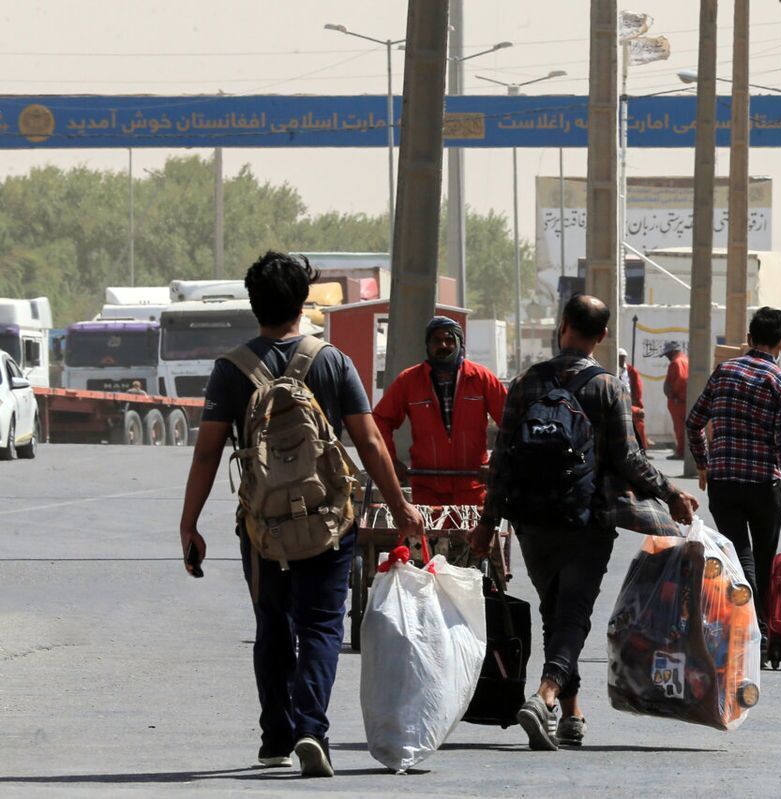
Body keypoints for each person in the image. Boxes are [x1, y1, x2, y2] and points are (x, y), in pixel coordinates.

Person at [178, 251, 422, 777]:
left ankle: (275, 738)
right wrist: (400, 506)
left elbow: (207, 453)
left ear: (253, 305)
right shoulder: (332, 361)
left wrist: (188, 523)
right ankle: (312, 729)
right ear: (302, 302)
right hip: (328, 521)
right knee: (321, 627)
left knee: (272, 625)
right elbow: (370, 443)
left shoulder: (230, 370)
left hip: (262, 526)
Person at [470, 294, 699, 751]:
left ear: (563, 326)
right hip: (587, 520)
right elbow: (628, 458)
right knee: (573, 614)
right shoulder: (608, 387)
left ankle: (571, 713)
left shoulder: (526, 382)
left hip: (532, 520)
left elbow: (503, 460)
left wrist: (488, 522)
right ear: (603, 335)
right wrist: (672, 493)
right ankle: (546, 696)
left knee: (554, 611)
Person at [686, 309, 781, 634]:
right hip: (763, 486)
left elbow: (694, 422)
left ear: (748, 338)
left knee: (736, 554)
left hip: (723, 483)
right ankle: (759, 628)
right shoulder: (780, 383)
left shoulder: (724, 371)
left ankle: (746, 628)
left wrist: (703, 463)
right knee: (762, 560)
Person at [372, 315, 507, 506]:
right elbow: (380, 420)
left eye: (449, 339)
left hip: (472, 487)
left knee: (472, 528)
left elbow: (513, 422)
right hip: (427, 490)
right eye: (436, 340)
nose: (443, 345)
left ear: (459, 343)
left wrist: (496, 463)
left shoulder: (481, 378)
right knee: (427, 527)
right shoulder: (409, 380)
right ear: (428, 345)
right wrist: (390, 461)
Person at [618, 347, 651, 449]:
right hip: (620, 400)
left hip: (631, 401)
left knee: (639, 424)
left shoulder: (630, 370)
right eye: (620, 357)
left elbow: (637, 387)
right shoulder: (614, 369)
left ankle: (642, 447)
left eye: (623, 357)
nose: (622, 359)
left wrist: (637, 402)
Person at [663, 341, 689, 459]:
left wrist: (674, 395)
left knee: (680, 428)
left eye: (667, 354)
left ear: (672, 352)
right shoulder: (686, 360)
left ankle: (681, 452)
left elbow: (681, 380)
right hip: (685, 400)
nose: (667, 357)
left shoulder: (676, 362)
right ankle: (685, 451)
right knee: (685, 428)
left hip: (678, 401)